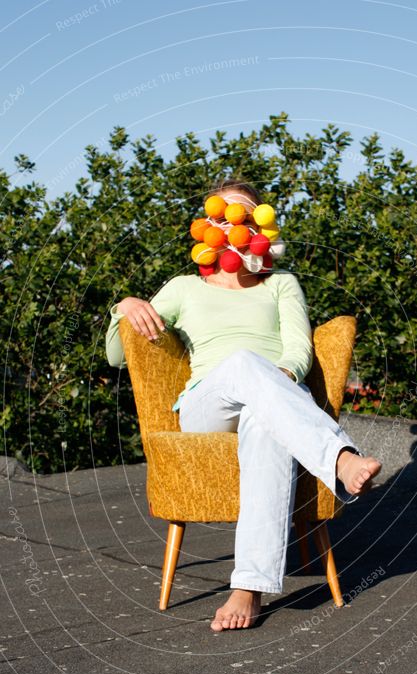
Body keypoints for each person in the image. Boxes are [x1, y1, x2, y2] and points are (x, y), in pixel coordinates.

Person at [105, 178, 382, 632]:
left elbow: (298, 350)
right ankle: (339, 458)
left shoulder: (282, 285)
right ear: (210, 224)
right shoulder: (183, 287)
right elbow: (118, 356)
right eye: (226, 214)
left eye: (248, 215)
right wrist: (125, 305)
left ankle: (248, 589)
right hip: (206, 405)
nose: (237, 223)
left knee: (263, 418)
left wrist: (281, 377)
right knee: (243, 363)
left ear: (260, 227)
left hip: (272, 398)